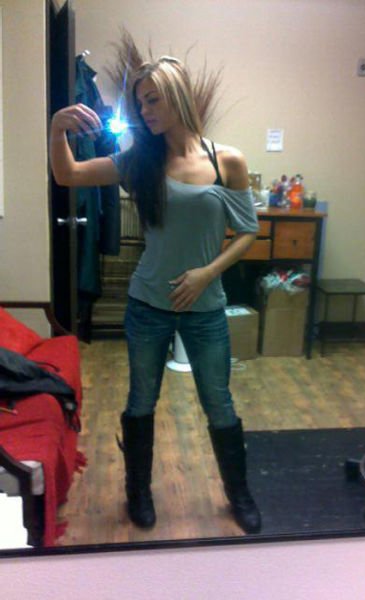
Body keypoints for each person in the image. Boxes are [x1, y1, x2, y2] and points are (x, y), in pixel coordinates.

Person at [50, 53, 262, 534]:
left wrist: (207, 273)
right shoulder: (139, 162)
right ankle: (138, 490)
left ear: (177, 96)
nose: (144, 111)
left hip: (205, 308)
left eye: (152, 100)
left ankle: (240, 493)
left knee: (219, 402)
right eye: (139, 103)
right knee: (141, 399)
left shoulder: (226, 161)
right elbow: (69, 175)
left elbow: (248, 231)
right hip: (147, 305)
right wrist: (57, 129)